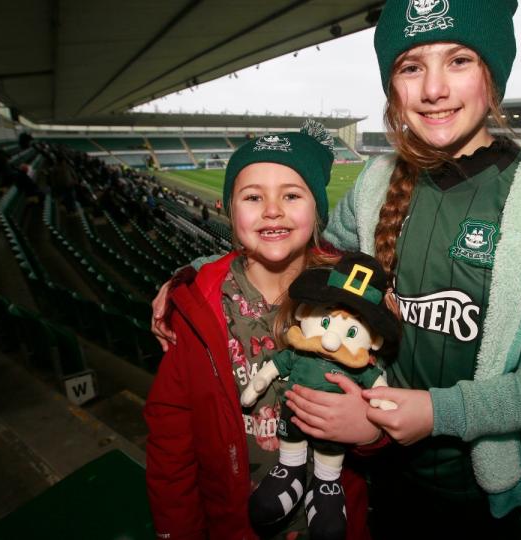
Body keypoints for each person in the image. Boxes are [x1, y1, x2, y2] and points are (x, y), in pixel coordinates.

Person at [278, 1, 521, 535]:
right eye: (411, 67)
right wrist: (206, 270)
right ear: (393, 88)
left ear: (494, 75)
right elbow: (309, 256)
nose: (433, 89)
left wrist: (440, 413)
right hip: (377, 473)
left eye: (459, 60)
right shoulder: (374, 185)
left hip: (482, 496)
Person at [144, 122, 372, 540]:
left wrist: (370, 429)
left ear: (317, 210)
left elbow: (385, 401)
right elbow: (170, 438)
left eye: (291, 194)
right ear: (229, 210)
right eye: (253, 197)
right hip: (235, 522)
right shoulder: (198, 307)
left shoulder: (353, 297)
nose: (272, 210)